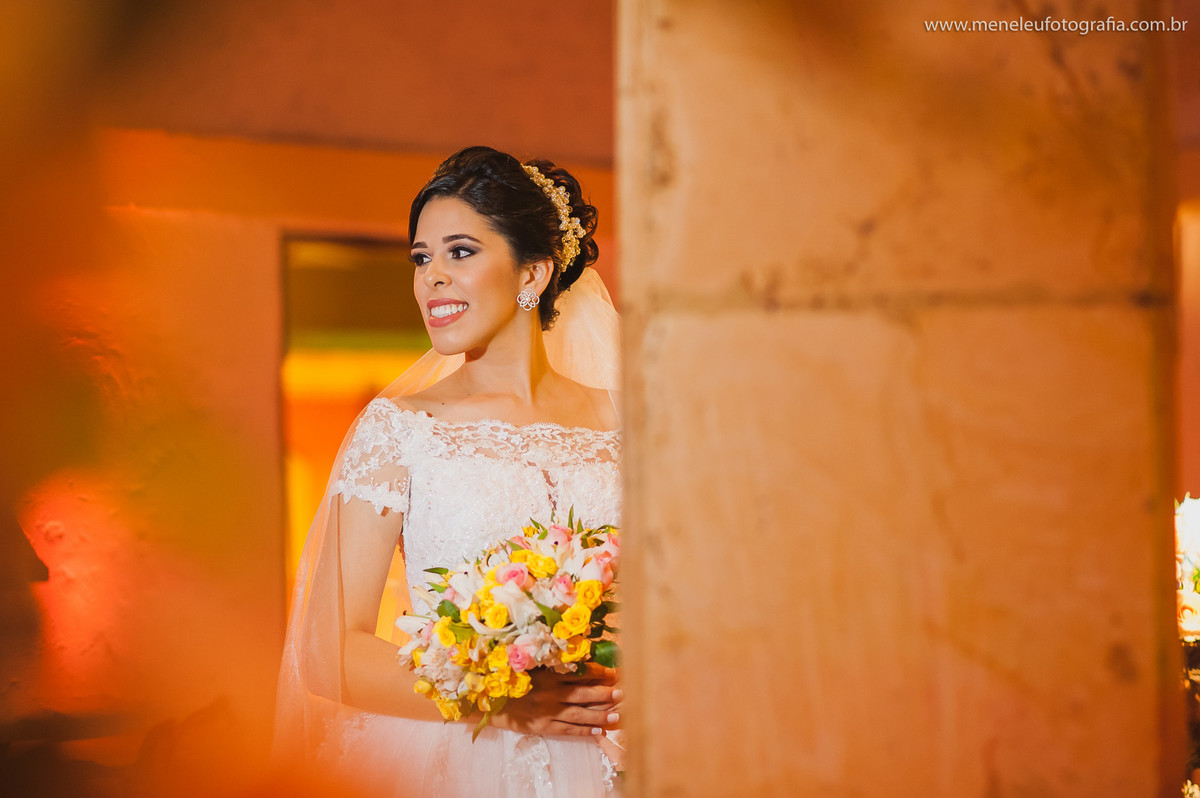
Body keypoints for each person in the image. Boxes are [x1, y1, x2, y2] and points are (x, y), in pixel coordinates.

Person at [273, 146, 623, 797]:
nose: (431, 277)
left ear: (533, 274)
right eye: (421, 257)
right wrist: (500, 699)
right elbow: (329, 653)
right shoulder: (400, 430)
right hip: (460, 759)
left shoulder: (626, 419)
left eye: (459, 252)